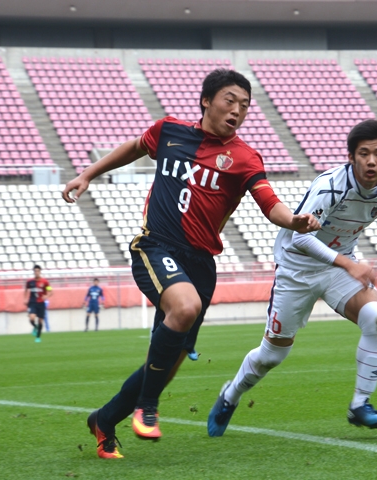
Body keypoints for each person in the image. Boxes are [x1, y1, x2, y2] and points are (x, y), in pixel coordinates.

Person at [61, 68, 319, 459]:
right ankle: (148, 406)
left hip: (201, 265)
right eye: (230, 100)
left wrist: (294, 220)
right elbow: (133, 148)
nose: (237, 110)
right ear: (206, 100)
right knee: (185, 308)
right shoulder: (169, 131)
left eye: (245, 106)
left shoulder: (245, 157)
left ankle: (104, 419)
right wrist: (88, 175)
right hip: (156, 246)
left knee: (166, 360)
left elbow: (269, 202)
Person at [207, 119, 377, 438]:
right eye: (364, 153)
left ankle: (360, 404)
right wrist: (349, 263)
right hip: (297, 267)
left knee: (375, 316)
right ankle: (230, 396)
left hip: (338, 268)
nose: (371, 161)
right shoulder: (331, 185)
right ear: (351, 157)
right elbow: (298, 237)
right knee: (272, 355)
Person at [24, 265, 52, 343]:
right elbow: (26, 290)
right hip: (32, 302)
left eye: (37, 271)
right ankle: (35, 327)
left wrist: (46, 296)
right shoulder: (30, 282)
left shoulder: (45, 282)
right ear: (33, 272)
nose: (36, 272)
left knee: (40, 321)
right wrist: (25, 299)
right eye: (35, 271)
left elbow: (50, 291)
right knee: (31, 318)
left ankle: (38, 337)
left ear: (40, 272)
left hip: (41, 303)